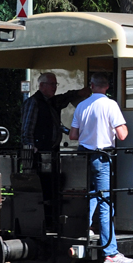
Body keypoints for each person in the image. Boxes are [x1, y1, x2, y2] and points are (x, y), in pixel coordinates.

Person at [69, 73, 132, 263]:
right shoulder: (110, 105)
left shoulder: (82, 105)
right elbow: (122, 135)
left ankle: (78, 234)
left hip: (83, 156)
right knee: (105, 202)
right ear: (107, 87)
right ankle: (111, 253)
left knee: (90, 196)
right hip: (102, 157)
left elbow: (73, 135)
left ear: (92, 85)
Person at [20, 73, 89, 225]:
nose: (54, 88)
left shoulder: (52, 102)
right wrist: (31, 148)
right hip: (38, 154)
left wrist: (79, 93)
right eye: (52, 84)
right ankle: (42, 220)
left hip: (51, 153)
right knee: (41, 187)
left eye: (55, 84)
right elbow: (27, 128)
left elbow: (65, 98)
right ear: (42, 86)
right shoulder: (34, 103)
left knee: (52, 185)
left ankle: (51, 220)